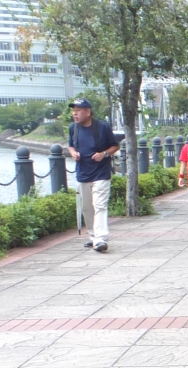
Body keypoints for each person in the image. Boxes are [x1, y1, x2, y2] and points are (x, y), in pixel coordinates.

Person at [66, 98, 119, 253]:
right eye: (74, 110)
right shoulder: (73, 128)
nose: (75, 113)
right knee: (87, 207)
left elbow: (115, 145)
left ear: (88, 112)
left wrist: (104, 154)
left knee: (99, 205)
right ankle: (93, 236)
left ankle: (101, 239)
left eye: (78, 110)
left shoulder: (102, 127)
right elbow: (70, 146)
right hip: (83, 173)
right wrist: (73, 153)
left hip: (101, 173)